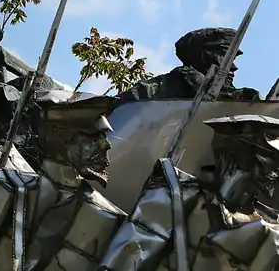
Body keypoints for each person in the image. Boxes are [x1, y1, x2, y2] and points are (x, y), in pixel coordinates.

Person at [0, 91, 126, 270]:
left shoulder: (106, 217)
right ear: (60, 137)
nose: (106, 145)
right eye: (94, 136)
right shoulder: (0, 186)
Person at [98, 114, 279, 270]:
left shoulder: (269, 227)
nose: (275, 175)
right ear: (232, 161)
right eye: (272, 164)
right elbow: (128, 257)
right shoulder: (176, 195)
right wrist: (222, 200)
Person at [119, 27, 259, 101]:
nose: (233, 67)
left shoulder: (236, 96)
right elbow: (123, 101)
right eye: (226, 57)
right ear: (204, 56)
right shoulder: (174, 83)